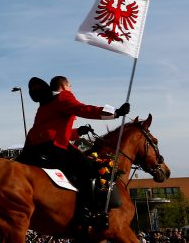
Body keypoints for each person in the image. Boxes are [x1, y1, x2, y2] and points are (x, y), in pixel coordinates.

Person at [20, 75, 129, 227]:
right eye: (70, 86)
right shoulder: (64, 96)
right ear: (65, 86)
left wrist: (78, 132)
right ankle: (84, 214)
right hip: (53, 147)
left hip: (33, 147)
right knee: (90, 169)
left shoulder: (46, 102)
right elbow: (84, 109)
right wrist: (115, 112)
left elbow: (52, 130)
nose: (71, 88)